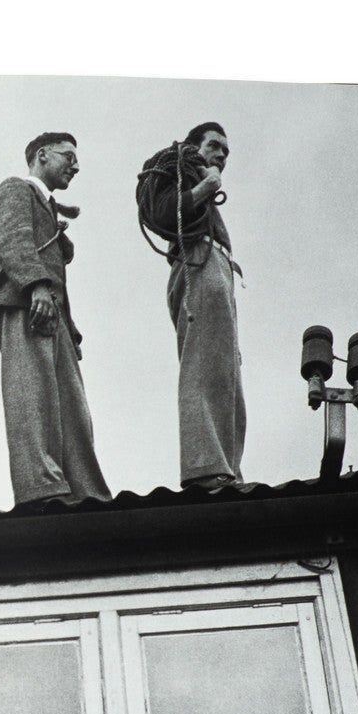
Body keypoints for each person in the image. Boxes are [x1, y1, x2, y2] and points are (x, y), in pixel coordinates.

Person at [0, 132, 110, 507]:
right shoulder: (15, 188)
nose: (76, 164)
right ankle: (42, 488)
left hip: (53, 315)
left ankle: (85, 492)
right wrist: (37, 286)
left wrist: (70, 329)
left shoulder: (47, 205)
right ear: (42, 155)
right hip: (26, 303)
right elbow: (10, 238)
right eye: (67, 155)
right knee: (32, 398)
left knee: (72, 407)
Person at [142, 122, 246, 490]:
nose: (221, 155)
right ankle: (205, 468)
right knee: (203, 365)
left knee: (226, 373)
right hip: (197, 260)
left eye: (226, 152)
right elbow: (164, 214)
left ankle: (226, 468)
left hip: (217, 267)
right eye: (214, 146)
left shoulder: (200, 178)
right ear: (192, 145)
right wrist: (204, 186)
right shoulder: (178, 168)